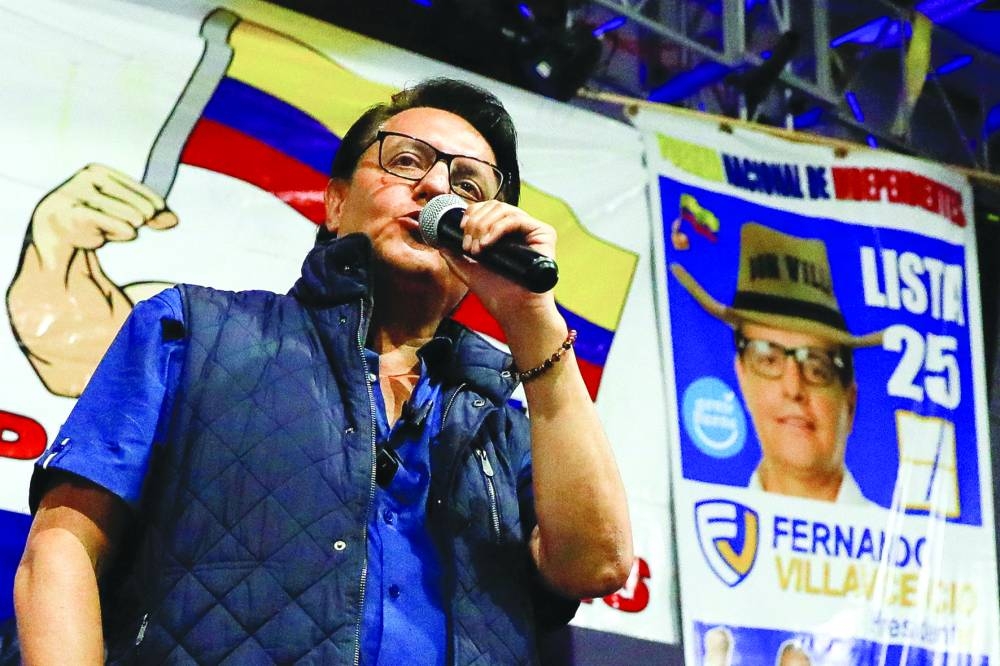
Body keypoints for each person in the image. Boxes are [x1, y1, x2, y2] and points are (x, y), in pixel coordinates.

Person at [13, 78, 633, 665]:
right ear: (335, 202)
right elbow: (61, 552)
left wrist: (533, 323)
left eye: (469, 185)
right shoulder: (194, 329)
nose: (437, 191)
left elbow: (597, 567)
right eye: (408, 162)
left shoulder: (507, 427)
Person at [671, 222, 884, 504]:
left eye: (817, 368)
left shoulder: (907, 542)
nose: (793, 388)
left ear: (850, 402)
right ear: (742, 376)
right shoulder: (708, 527)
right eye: (768, 359)